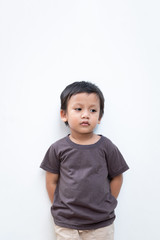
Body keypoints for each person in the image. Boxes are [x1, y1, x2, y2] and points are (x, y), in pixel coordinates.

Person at [40, 81, 129, 240]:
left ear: (100, 117)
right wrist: (60, 206)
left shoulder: (106, 146)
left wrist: (109, 202)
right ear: (64, 114)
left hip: (101, 223)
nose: (85, 114)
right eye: (78, 109)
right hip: (66, 223)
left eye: (93, 110)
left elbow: (117, 176)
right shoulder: (57, 148)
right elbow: (51, 181)